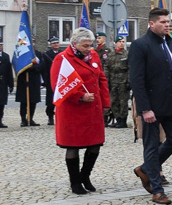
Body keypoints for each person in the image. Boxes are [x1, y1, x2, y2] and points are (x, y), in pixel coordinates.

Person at [128, 8, 172, 205]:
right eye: (163, 22)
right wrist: (145, 108)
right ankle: (157, 189)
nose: (167, 25)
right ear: (152, 23)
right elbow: (137, 80)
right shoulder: (141, 45)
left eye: (168, 22)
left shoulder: (170, 44)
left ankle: (146, 169)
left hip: (171, 103)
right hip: (152, 105)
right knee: (151, 145)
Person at [50, 28, 110, 195]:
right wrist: (80, 96)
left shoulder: (94, 56)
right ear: (74, 43)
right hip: (73, 110)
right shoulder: (61, 59)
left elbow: (102, 79)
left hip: (93, 109)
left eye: (90, 45)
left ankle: (85, 176)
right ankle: (75, 182)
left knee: (95, 145)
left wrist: (105, 102)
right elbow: (58, 86)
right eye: (85, 46)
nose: (89, 49)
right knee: (73, 146)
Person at [104, 37, 130, 129]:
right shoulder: (110, 54)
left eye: (123, 42)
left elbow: (130, 68)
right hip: (113, 81)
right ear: (115, 43)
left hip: (123, 81)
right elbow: (106, 67)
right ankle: (117, 119)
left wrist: (129, 81)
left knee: (123, 102)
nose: (122, 43)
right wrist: (107, 81)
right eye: (120, 42)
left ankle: (123, 120)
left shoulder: (127, 54)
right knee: (113, 101)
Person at [16, 49, 43, 126]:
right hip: (24, 81)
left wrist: (33, 68)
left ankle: (30, 118)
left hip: (34, 81)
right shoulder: (22, 52)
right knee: (24, 102)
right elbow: (19, 66)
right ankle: (23, 119)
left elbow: (41, 66)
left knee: (33, 102)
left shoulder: (38, 53)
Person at [43, 36, 61, 125]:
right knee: (51, 100)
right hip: (51, 80)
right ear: (51, 45)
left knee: (61, 99)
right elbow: (45, 69)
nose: (56, 44)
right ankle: (50, 117)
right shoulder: (46, 54)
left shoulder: (62, 53)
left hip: (61, 80)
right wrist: (45, 81)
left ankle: (60, 117)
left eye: (57, 43)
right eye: (54, 43)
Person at [0, 41, 12, 128]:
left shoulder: (6, 56)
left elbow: (9, 71)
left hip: (2, 82)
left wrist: (10, 84)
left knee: (2, 103)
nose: (0, 47)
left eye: (1, 45)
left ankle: (0, 120)